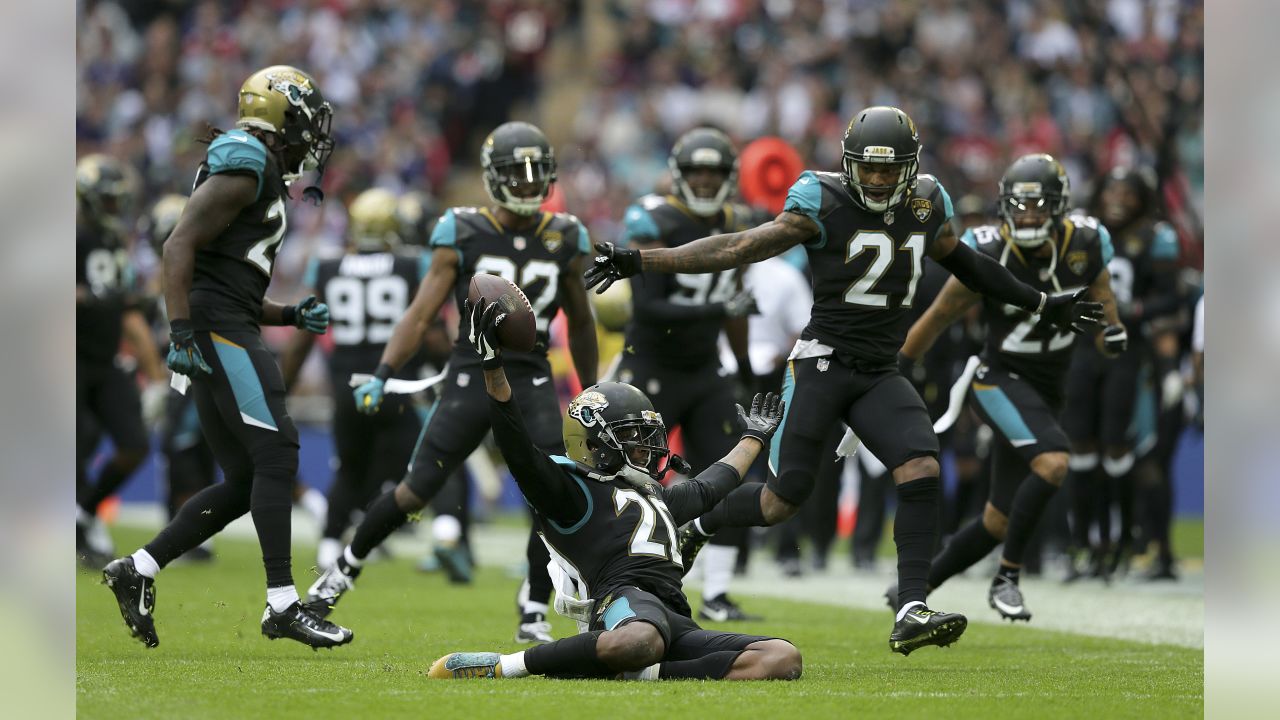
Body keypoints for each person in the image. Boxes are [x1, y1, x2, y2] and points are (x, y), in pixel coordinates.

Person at [585, 106, 1104, 654]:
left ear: (911, 166)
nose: (879, 180)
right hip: (823, 362)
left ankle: (910, 606)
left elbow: (972, 267)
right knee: (781, 500)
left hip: (880, 369)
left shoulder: (928, 202)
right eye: (869, 169)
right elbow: (738, 246)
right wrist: (642, 261)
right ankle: (700, 523)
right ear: (850, 164)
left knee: (921, 464)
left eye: (890, 169)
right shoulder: (821, 200)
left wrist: (1042, 302)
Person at [304, 121, 599, 646]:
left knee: (553, 493)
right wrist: (384, 372)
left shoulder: (567, 235)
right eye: (517, 172)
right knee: (416, 488)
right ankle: (337, 577)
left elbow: (579, 321)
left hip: (530, 375)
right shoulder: (462, 229)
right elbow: (420, 313)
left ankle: (533, 603)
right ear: (492, 177)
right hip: (470, 371)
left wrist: (591, 389)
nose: (530, 183)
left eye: (537, 173)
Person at [101, 66, 353, 649]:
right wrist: (183, 332)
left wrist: (288, 315)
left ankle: (137, 568)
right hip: (218, 329)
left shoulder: (256, 167)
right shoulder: (248, 162)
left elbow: (226, 278)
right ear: (280, 116)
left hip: (225, 320)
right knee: (279, 451)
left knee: (245, 479)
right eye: (307, 121)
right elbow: (178, 245)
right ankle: (283, 604)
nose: (313, 135)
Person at [426, 298, 800, 681]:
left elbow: (713, 484)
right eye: (631, 435)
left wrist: (755, 436)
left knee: (781, 657)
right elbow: (517, 447)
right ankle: (507, 665)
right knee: (638, 639)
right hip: (619, 603)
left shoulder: (656, 497)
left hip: (674, 614)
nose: (647, 445)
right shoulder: (572, 492)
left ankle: (643, 673)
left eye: (648, 434)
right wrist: (492, 366)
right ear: (593, 441)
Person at [896, 154, 1124, 621]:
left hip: (1048, 386)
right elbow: (938, 317)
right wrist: (894, 372)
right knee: (1054, 461)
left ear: (1058, 207)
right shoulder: (988, 249)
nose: (1027, 215)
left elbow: (1101, 290)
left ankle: (914, 588)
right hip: (996, 378)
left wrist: (1112, 331)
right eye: (1019, 206)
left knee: (997, 519)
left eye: (1038, 206)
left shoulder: (1085, 241)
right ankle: (1008, 579)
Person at [615, 127, 762, 621]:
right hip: (649, 369)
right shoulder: (652, 217)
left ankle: (716, 594)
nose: (704, 180)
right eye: (696, 171)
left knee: (727, 471)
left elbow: (737, 309)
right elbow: (650, 306)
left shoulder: (739, 220)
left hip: (703, 369)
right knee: (624, 475)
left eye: (714, 171)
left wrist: (742, 369)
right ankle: (617, 580)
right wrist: (720, 307)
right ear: (678, 175)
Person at [280, 188, 440, 571]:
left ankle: (329, 542)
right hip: (393, 383)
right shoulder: (411, 264)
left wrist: (280, 386)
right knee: (412, 466)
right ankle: (377, 531)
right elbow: (426, 327)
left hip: (347, 385)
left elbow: (306, 332)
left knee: (349, 468)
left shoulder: (329, 266)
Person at [1062, 167, 1182, 579]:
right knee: (1078, 445)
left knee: (1117, 445)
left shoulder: (1154, 235)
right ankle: (1083, 542)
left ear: (1142, 198)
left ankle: (1123, 541)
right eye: (1111, 189)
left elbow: (1171, 297)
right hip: (1080, 347)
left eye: (1127, 192)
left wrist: (1133, 311)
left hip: (1126, 349)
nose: (1117, 198)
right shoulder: (1081, 228)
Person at [76, 154, 168, 567]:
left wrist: (155, 374)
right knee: (72, 447)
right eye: (109, 200)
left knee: (134, 444)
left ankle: (84, 513)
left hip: (104, 359)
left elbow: (128, 310)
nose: (116, 207)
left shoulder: (112, 242)